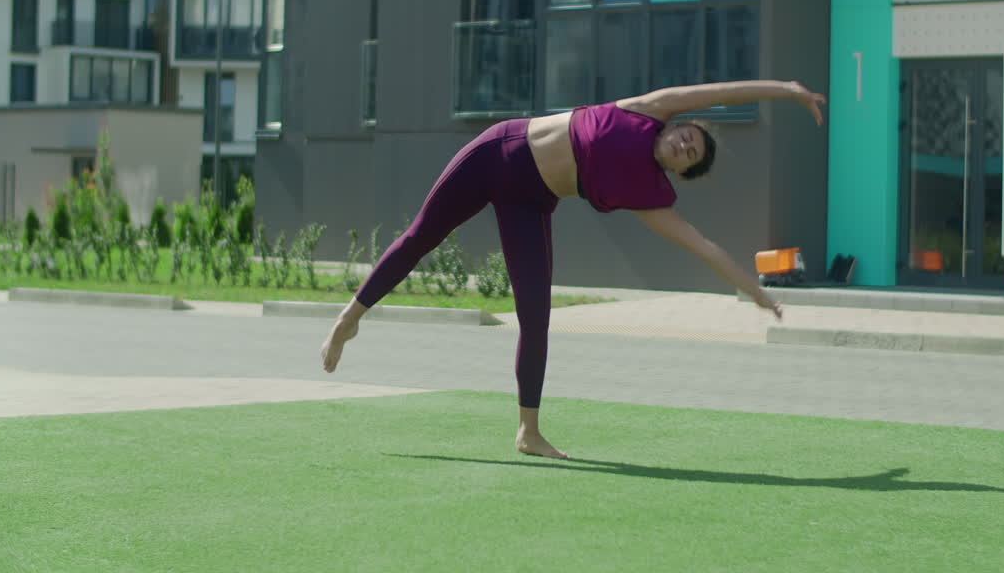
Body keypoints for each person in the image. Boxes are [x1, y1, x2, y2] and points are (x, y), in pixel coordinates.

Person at [321, 79, 827, 459]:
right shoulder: (645, 110)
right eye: (685, 136)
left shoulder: (651, 197)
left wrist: (755, 292)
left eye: (689, 154)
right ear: (675, 125)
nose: (682, 145)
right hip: (497, 152)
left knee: (535, 316)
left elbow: (704, 247)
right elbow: (719, 92)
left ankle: (528, 430)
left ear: (682, 172)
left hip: (529, 204)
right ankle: (351, 317)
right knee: (420, 237)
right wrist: (785, 90)